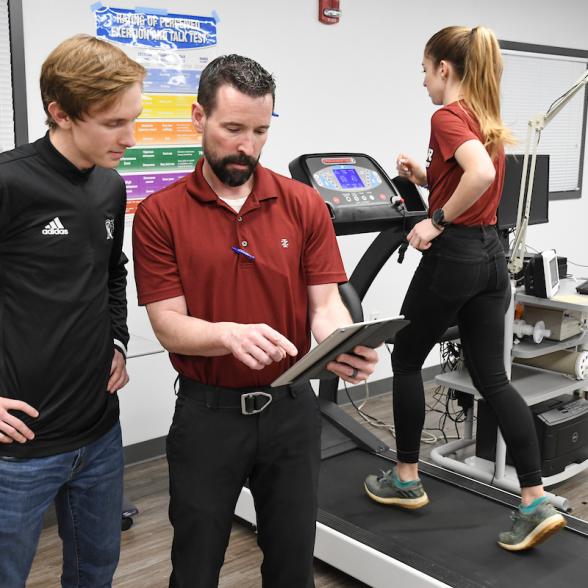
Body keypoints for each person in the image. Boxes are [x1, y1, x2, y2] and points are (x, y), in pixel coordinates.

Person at [132, 54, 379, 587]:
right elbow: (168, 326)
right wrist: (226, 335)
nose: (247, 145)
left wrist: (340, 344)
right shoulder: (159, 214)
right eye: (233, 129)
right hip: (207, 416)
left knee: (293, 566)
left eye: (260, 131)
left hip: (291, 414)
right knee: (195, 566)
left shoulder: (304, 204)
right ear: (199, 118)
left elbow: (324, 304)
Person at [364, 26, 566, 551]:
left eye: (425, 69)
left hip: (454, 256)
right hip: (491, 258)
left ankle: (405, 478)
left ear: (445, 69)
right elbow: (476, 184)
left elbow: (474, 174)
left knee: (407, 358)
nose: (423, 81)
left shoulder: (448, 116)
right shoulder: (487, 117)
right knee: (494, 378)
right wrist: (428, 176)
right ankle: (534, 498)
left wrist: (434, 220)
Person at [0, 34, 145, 586]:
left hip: (99, 432)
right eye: (113, 124)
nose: (128, 139)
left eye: (133, 120)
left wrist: (118, 340)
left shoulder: (110, 187)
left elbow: (112, 272)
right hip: (19, 445)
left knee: (95, 570)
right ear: (59, 112)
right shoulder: (9, 182)